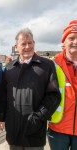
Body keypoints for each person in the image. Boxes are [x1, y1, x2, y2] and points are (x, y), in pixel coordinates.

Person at [0, 27, 61, 150]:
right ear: (16, 47)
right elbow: (3, 95)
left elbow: (53, 95)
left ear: (34, 43)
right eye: (23, 44)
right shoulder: (9, 68)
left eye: (30, 43)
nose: (27, 47)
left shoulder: (47, 65)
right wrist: (1, 116)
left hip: (35, 130)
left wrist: (39, 116)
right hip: (13, 128)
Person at [48, 20, 77, 150]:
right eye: (71, 38)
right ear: (63, 41)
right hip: (58, 129)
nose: (75, 42)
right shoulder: (52, 64)